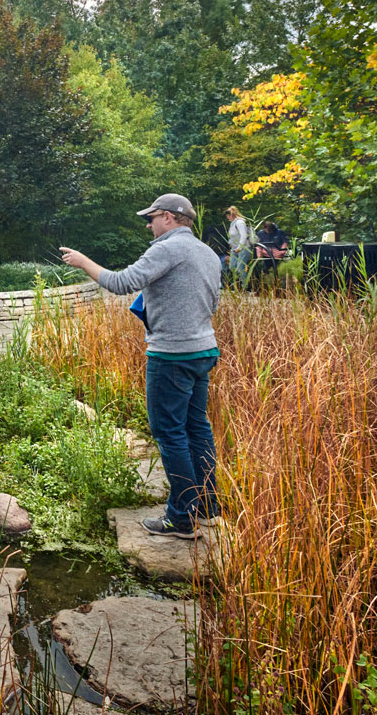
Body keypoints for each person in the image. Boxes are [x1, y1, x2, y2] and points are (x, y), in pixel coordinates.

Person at [60, 193, 222, 539]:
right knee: (197, 427)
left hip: (172, 356)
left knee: (170, 433)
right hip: (203, 350)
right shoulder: (206, 252)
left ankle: (180, 518)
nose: (148, 226)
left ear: (167, 217)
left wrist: (83, 261)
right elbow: (214, 301)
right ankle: (207, 505)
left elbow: (122, 283)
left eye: (151, 219)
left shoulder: (167, 248)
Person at [225, 206, 254, 284]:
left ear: (233, 214)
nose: (227, 216)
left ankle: (245, 286)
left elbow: (243, 235)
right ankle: (238, 284)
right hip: (234, 248)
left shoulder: (239, 222)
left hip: (243, 248)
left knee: (240, 268)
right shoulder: (232, 223)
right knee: (232, 266)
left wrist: (239, 247)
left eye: (229, 215)